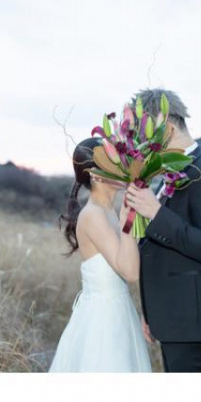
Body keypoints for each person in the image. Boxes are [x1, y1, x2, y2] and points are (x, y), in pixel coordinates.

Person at [124, 88, 201, 372]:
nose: (141, 145)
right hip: (174, 319)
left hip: (194, 325)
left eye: (144, 136)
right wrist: (151, 311)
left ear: (168, 129)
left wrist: (156, 212)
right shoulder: (170, 174)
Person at [48, 137, 152, 372]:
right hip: (104, 321)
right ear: (95, 175)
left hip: (119, 311)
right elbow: (130, 272)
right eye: (113, 161)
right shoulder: (93, 214)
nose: (121, 166)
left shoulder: (108, 211)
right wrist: (128, 223)